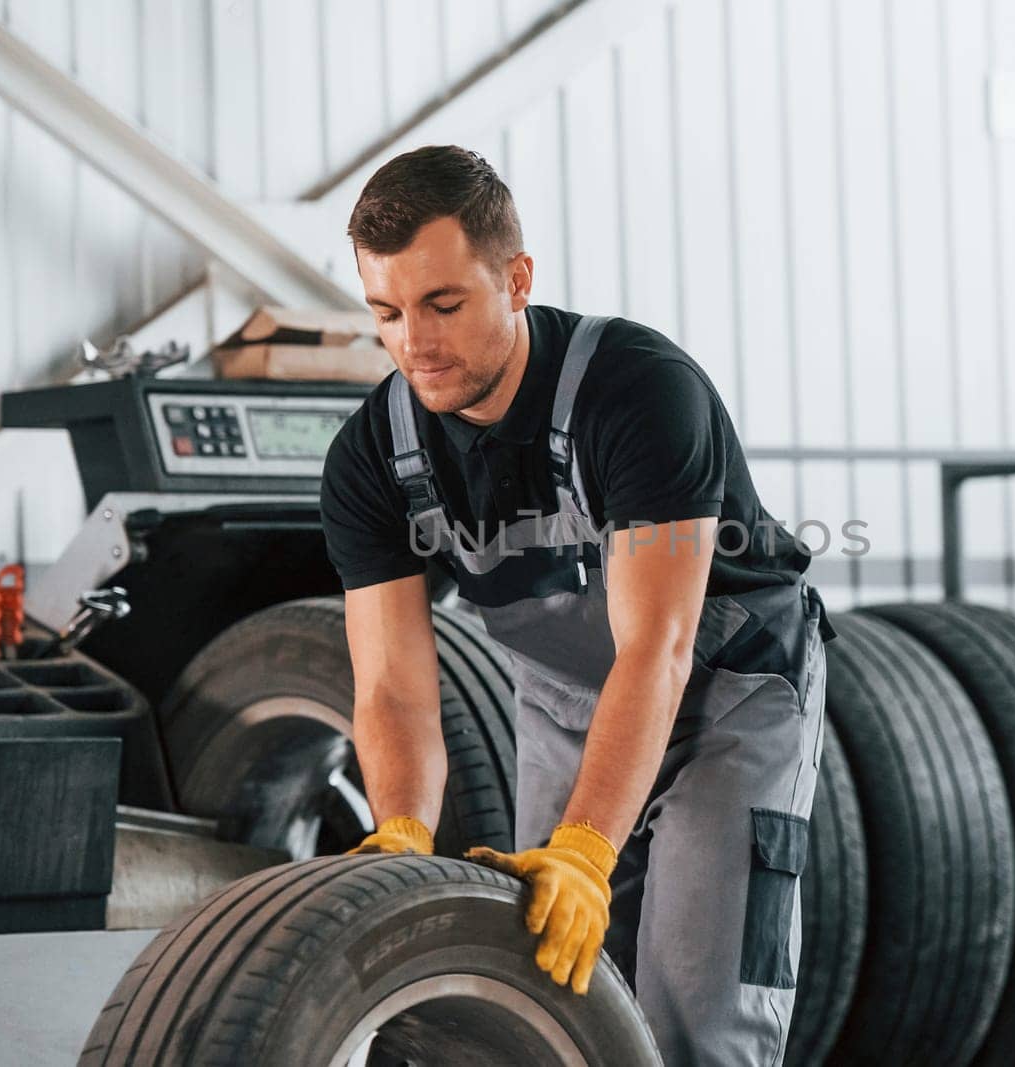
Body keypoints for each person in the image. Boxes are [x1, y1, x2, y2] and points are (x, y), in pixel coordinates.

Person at [319, 144, 834, 1066]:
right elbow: (393, 682)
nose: (414, 344)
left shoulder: (638, 391)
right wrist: (401, 822)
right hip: (563, 703)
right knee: (551, 997)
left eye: (443, 304)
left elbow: (659, 647)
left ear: (516, 279)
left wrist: (588, 847)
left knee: (693, 1013)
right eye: (386, 313)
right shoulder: (372, 458)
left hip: (730, 697)